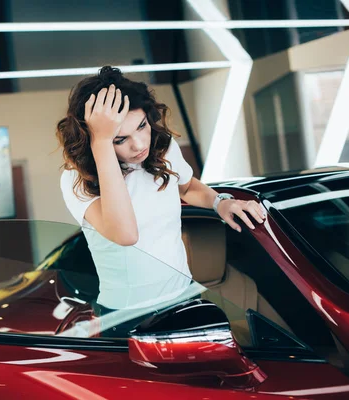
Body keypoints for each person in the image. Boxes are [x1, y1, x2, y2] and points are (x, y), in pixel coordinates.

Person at [56, 66, 266, 326]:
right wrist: (101, 142)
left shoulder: (162, 150)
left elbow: (187, 187)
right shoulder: (77, 179)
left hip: (184, 295)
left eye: (142, 126)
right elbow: (125, 234)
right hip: (128, 315)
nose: (140, 144)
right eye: (120, 139)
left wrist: (220, 202)